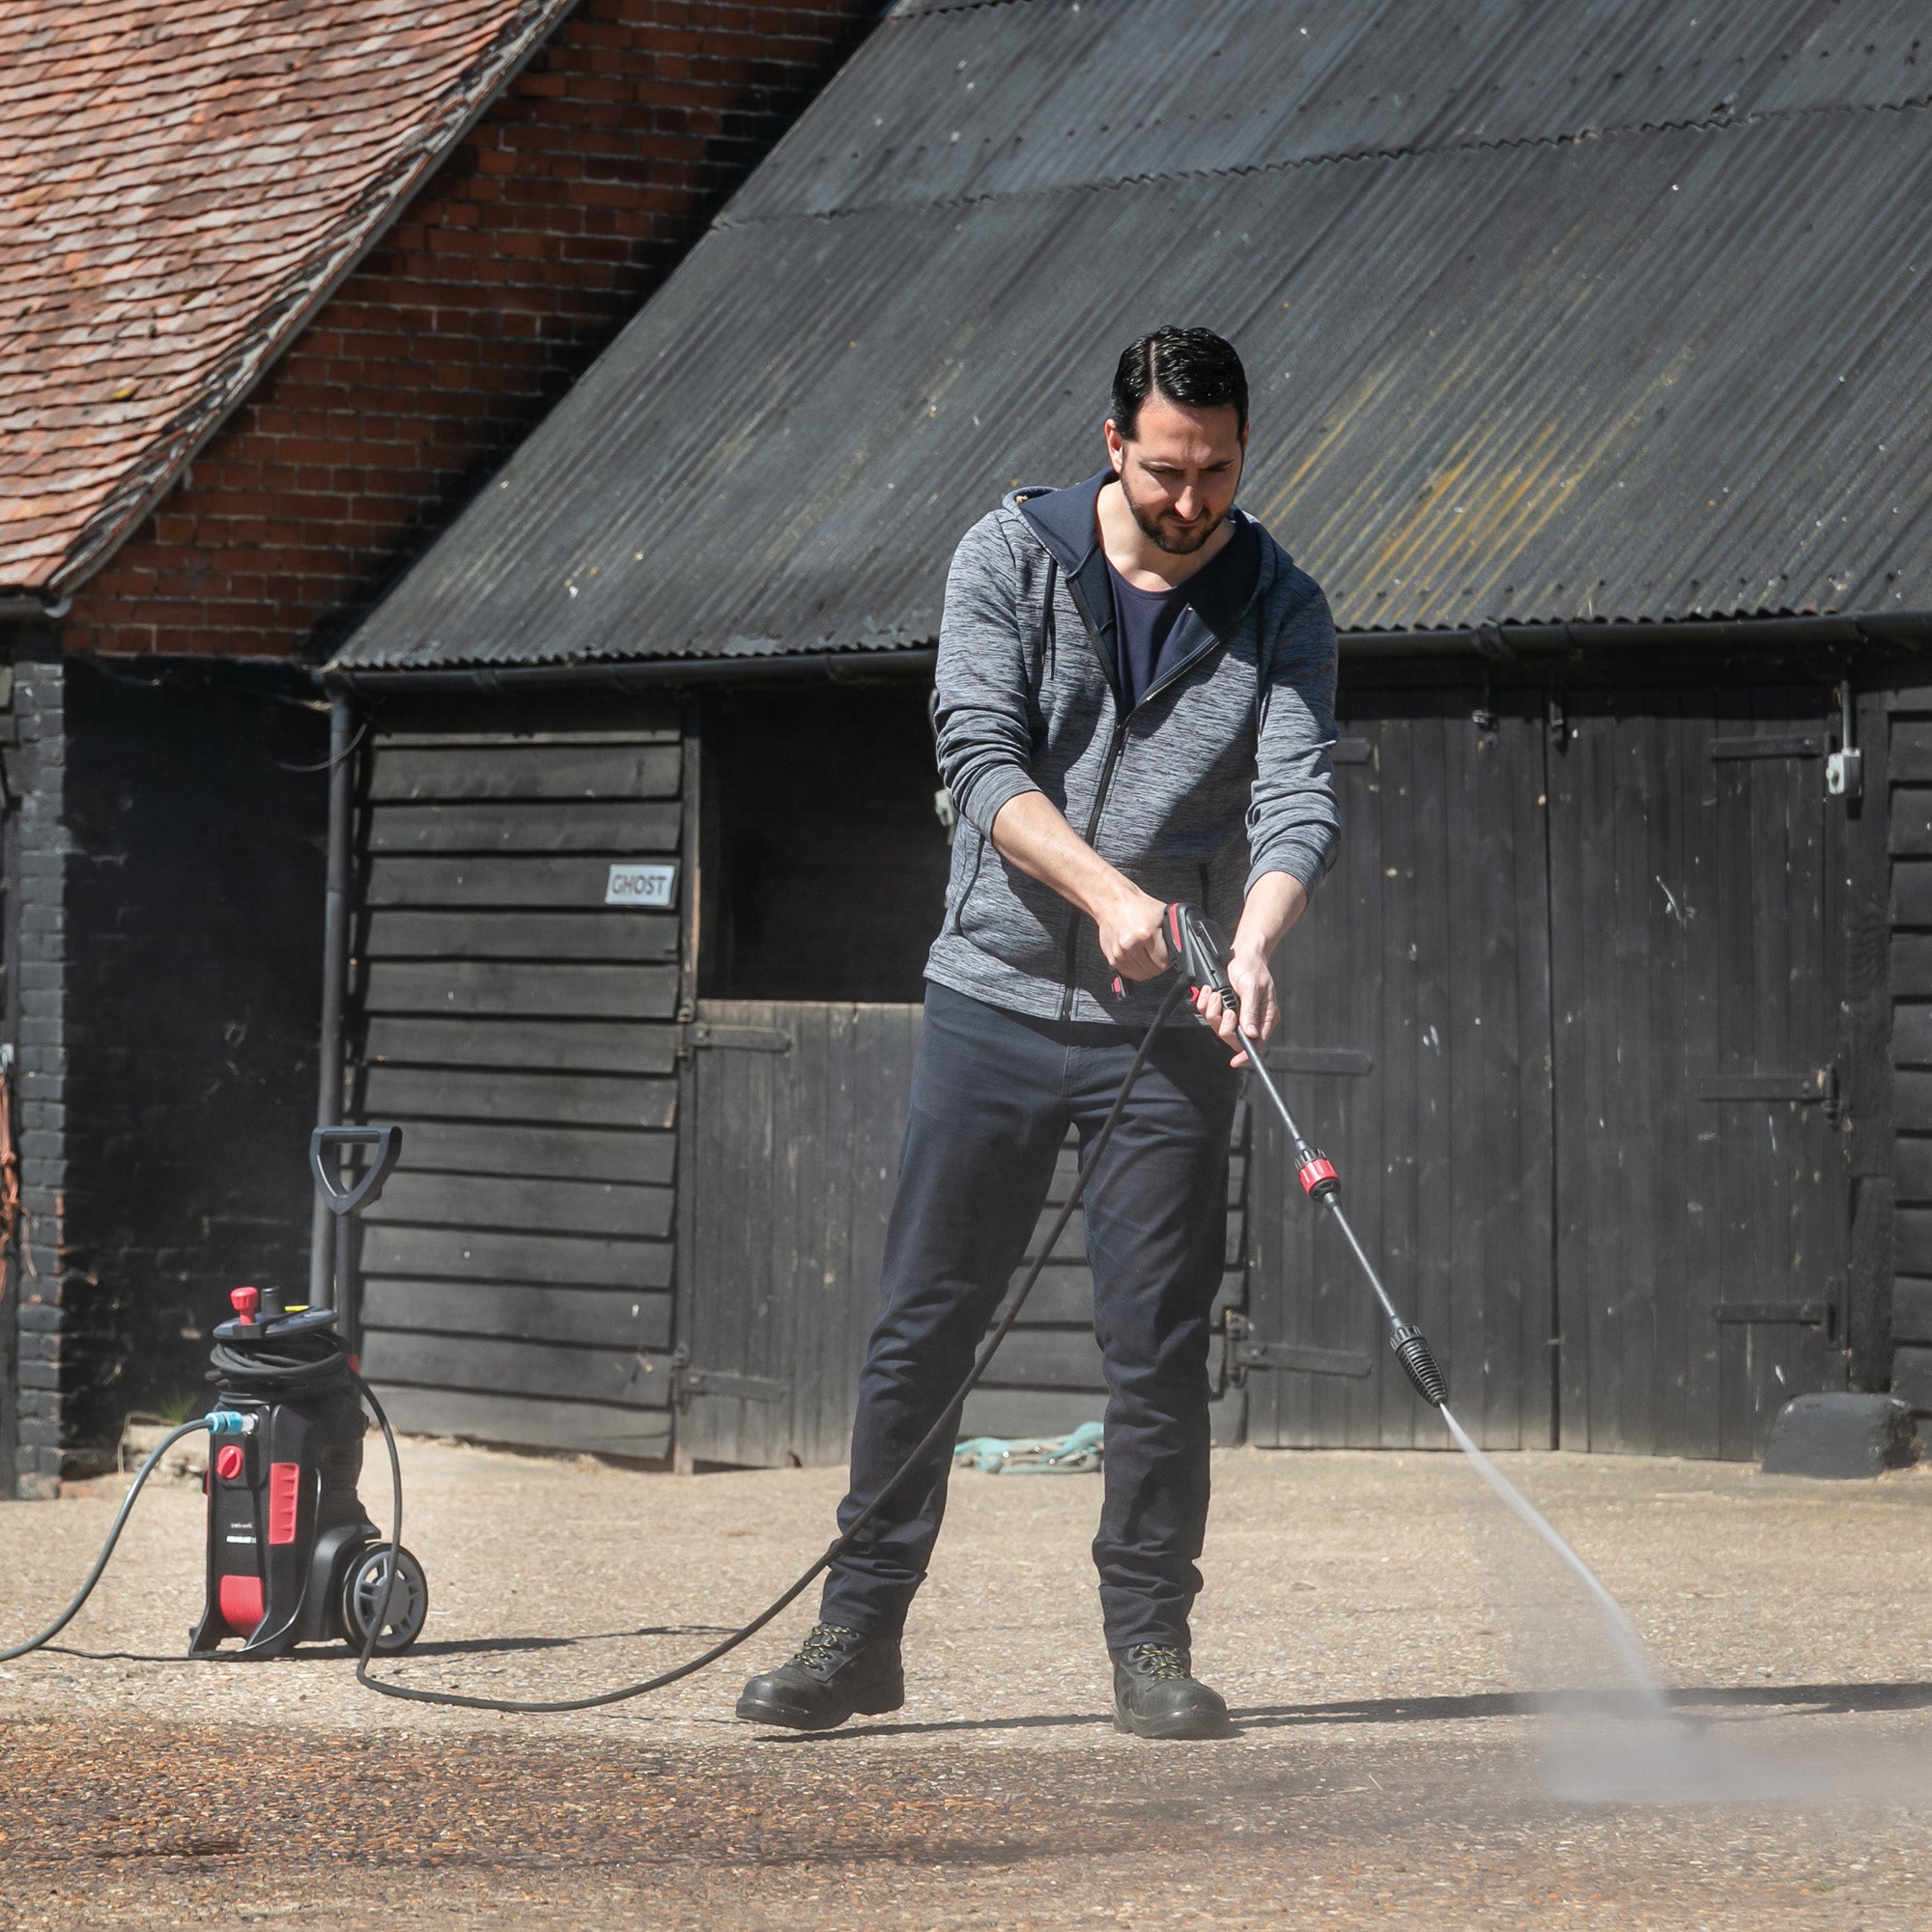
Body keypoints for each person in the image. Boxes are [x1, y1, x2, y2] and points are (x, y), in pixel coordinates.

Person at [736, 327, 1340, 1740]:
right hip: (991, 1002)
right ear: (1114, 444)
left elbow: (1297, 799)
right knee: (923, 1326)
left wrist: (1252, 941)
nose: (1191, 500)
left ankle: (1150, 1647)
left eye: (1219, 472)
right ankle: (856, 1634)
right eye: (1168, 469)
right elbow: (978, 759)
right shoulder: (1005, 559)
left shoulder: (1283, 604)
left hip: (1164, 1025)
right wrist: (1108, 894)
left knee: (1158, 1346)